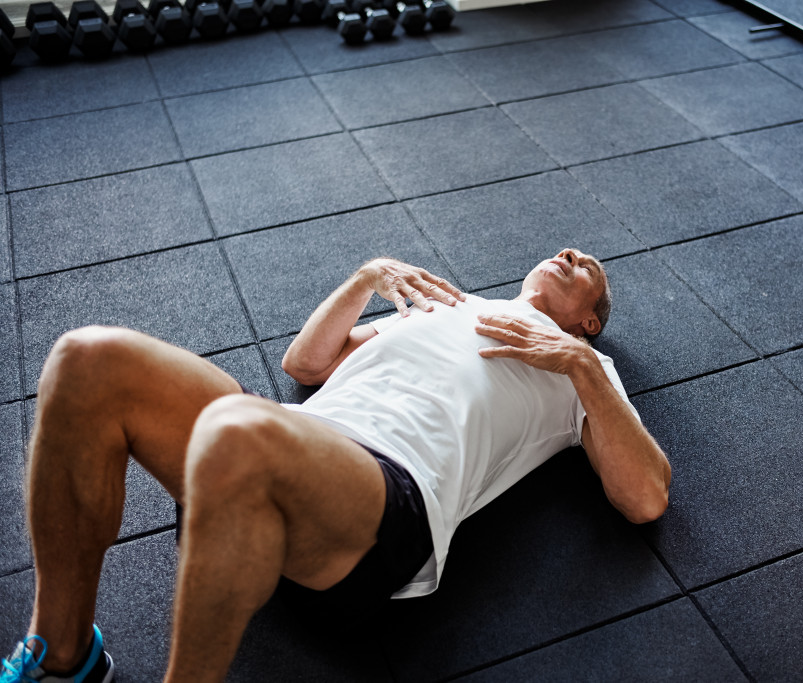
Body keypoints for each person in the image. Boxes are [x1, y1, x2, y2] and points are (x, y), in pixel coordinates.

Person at [2, 248, 671, 683]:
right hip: (290, 440)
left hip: (385, 495)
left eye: (589, 267)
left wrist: (579, 366)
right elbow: (308, 364)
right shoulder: (448, 304)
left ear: (589, 321)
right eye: (568, 251)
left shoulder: (586, 369)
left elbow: (645, 496)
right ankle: (63, 655)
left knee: (237, 430)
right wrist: (367, 277)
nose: (571, 253)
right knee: (85, 359)